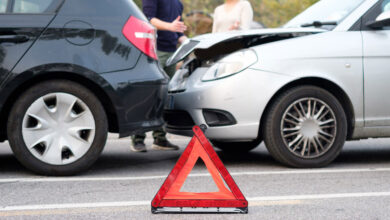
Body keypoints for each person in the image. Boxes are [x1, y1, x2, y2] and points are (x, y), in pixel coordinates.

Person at [130, 0, 188, 152]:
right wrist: (170, 26)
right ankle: (137, 138)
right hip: (153, 50)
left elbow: (177, 29)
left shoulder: (178, 3)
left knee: (165, 96)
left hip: (171, 53)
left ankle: (160, 139)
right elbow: (148, 19)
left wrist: (186, 41)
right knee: (147, 94)